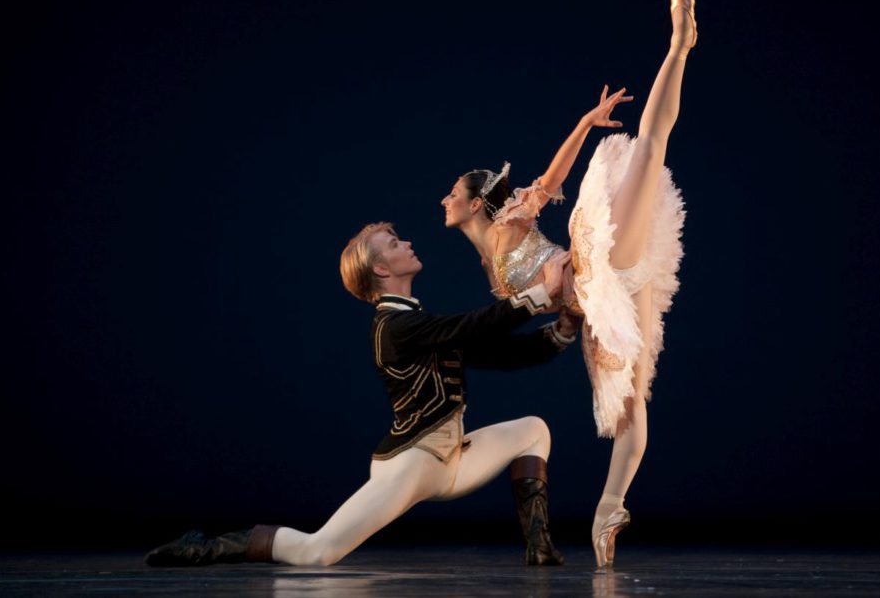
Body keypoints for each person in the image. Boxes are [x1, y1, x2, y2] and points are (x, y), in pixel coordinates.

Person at [145, 223, 576, 567]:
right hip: (408, 466)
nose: (406, 242)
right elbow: (472, 326)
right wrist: (542, 292)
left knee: (533, 430)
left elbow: (497, 352)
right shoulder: (393, 328)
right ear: (382, 270)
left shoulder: (418, 323)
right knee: (317, 552)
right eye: (393, 243)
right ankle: (204, 548)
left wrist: (560, 332)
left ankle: (539, 549)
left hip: (450, 462)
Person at [441, 0, 696, 567]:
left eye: (452, 194)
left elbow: (553, 180)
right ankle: (610, 511)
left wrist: (585, 122)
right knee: (629, 405)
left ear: (477, 203)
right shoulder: (490, 267)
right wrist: (558, 329)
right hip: (592, 309)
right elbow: (530, 322)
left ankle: (679, 46)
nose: (444, 200)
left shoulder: (509, 219)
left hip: (595, 264)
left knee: (650, 149)